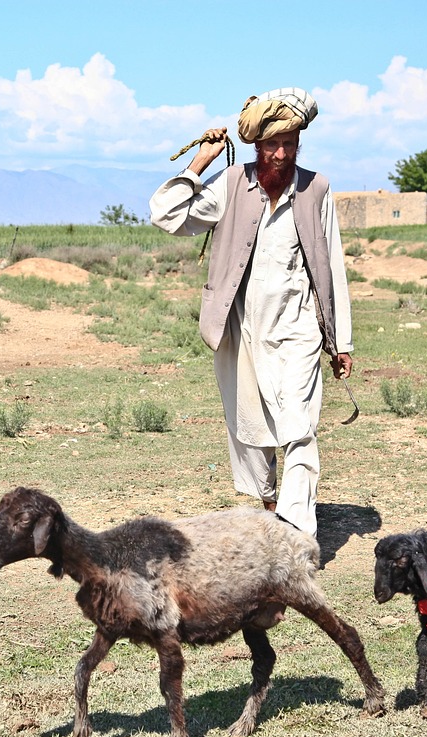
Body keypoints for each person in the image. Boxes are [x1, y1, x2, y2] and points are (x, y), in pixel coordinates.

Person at [149, 87, 352, 538]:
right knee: (252, 427)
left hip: (298, 329)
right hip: (242, 331)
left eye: (290, 143)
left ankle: (297, 534)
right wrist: (201, 162)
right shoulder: (230, 185)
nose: (280, 154)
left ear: (300, 144)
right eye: (271, 144)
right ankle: (269, 499)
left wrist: (341, 343)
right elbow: (166, 216)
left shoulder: (316, 188)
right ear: (256, 145)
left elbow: (333, 266)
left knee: (300, 426)